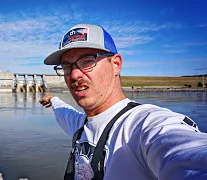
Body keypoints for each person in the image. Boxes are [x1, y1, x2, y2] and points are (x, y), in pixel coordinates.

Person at [39, 24, 207, 180]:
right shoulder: (79, 125)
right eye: (67, 67)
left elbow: (187, 152)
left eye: (87, 61)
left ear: (116, 64)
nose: (74, 75)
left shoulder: (142, 125)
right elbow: (63, 110)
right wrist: (52, 99)